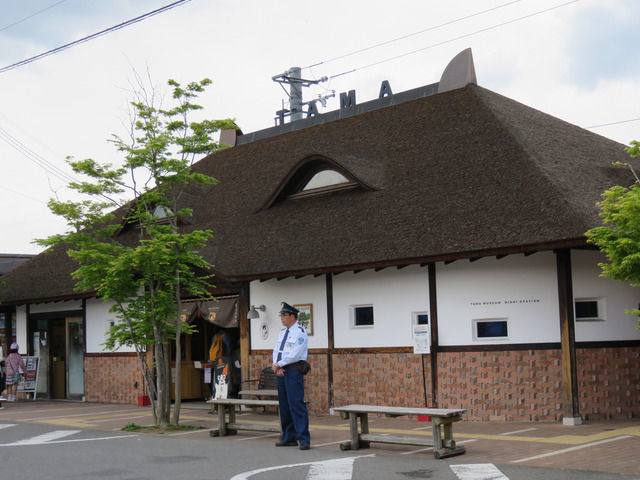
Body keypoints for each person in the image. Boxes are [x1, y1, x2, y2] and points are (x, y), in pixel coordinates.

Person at [272, 302, 311, 450]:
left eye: (284, 315)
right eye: (281, 315)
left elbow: (294, 354)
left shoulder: (300, 332)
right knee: (284, 406)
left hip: (293, 371)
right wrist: (275, 365)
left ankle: (304, 438)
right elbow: (277, 350)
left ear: (292, 316)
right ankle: (289, 437)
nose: (282, 318)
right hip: (281, 371)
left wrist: (279, 364)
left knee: (296, 404)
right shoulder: (282, 333)